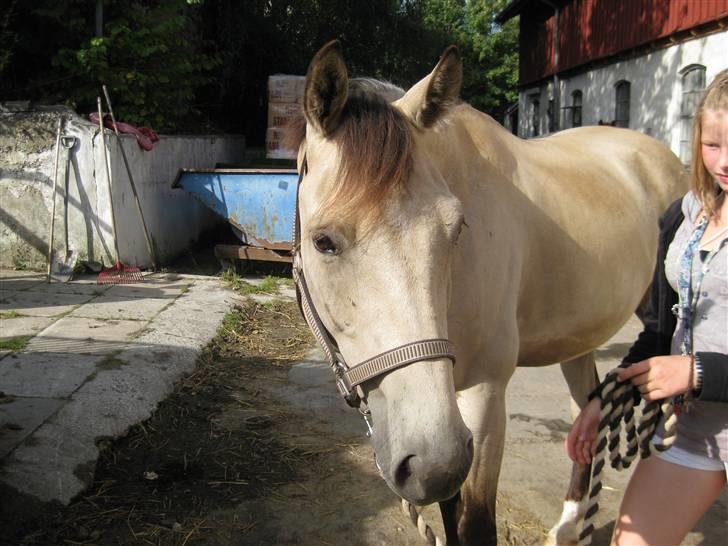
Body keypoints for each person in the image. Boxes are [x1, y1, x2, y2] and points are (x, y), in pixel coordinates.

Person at [565, 69, 728, 546]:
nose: (725, 163)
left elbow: (688, 367)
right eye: (713, 144)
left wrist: (698, 373)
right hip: (696, 428)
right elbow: (660, 329)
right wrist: (608, 397)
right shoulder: (686, 214)